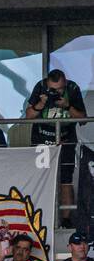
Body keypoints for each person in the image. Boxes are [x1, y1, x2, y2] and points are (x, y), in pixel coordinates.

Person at [24, 68, 86, 225]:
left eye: (60, 89)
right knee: (41, 178)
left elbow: (83, 119)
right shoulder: (40, 86)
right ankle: (40, 215)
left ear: (65, 82)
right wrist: (42, 102)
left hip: (66, 140)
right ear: (47, 84)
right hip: (42, 140)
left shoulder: (72, 89)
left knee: (66, 180)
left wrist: (67, 105)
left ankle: (66, 220)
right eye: (53, 90)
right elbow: (29, 116)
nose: (57, 92)